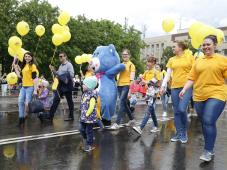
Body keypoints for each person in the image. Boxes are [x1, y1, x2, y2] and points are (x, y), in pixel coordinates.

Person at [179, 35, 227, 162]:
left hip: (217, 93)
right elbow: (191, 78)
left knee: (208, 120)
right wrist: (184, 89)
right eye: (204, 45)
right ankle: (210, 146)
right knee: (206, 123)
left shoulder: (223, 60)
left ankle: (208, 150)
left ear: (215, 45)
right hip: (199, 96)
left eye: (208, 44)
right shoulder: (198, 61)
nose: (206, 47)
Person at [160, 41, 194, 143]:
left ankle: (183, 132)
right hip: (174, 88)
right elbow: (168, 74)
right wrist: (163, 86)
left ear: (180, 47)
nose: (172, 48)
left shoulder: (190, 58)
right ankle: (179, 133)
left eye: (174, 47)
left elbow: (194, 72)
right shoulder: (171, 59)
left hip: (186, 87)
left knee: (182, 109)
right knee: (176, 112)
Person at [133, 56, 161, 134]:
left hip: (154, 94)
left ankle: (140, 128)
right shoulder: (146, 72)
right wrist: (139, 80)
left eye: (149, 62)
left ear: (153, 63)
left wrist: (147, 82)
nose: (147, 63)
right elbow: (141, 81)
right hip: (147, 94)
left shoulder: (156, 72)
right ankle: (156, 126)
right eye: (147, 62)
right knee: (151, 111)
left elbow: (159, 84)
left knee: (148, 110)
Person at [110, 49, 136, 130]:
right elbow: (117, 75)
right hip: (119, 85)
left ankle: (117, 123)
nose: (124, 56)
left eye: (126, 54)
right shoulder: (120, 64)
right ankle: (132, 119)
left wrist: (130, 91)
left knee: (121, 102)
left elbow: (132, 79)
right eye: (123, 54)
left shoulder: (131, 65)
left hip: (126, 85)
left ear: (129, 55)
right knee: (124, 104)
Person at [13, 52, 39, 126]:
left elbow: (35, 78)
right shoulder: (24, 65)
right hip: (23, 88)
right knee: (20, 102)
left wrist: (35, 90)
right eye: (26, 56)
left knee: (28, 105)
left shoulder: (32, 66)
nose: (27, 58)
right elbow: (20, 76)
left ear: (31, 57)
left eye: (29, 56)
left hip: (30, 88)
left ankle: (40, 114)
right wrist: (15, 67)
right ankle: (21, 119)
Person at [49, 52, 75, 121]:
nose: (60, 58)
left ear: (65, 57)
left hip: (67, 85)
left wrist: (61, 75)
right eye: (59, 56)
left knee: (69, 101)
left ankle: (71, 116)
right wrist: (53, 70)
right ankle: (50, 116)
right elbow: (58, 74)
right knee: (56, 100)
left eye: (61, 56)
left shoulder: (69, 65)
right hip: (61, 85)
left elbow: (72, 75)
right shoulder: (61, 66)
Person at [79, 76, 99, 152]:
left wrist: (87, 114)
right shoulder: (84, 94)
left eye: (84, 84)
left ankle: (89, 145)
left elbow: (91, 107)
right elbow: (83, 103)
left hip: (89, 118)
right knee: (81, 129)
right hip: (83, 117)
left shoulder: (92, 96)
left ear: (89, 86)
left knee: (88, 131)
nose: (82, 85)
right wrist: (81, 110)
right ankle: (87, 138)